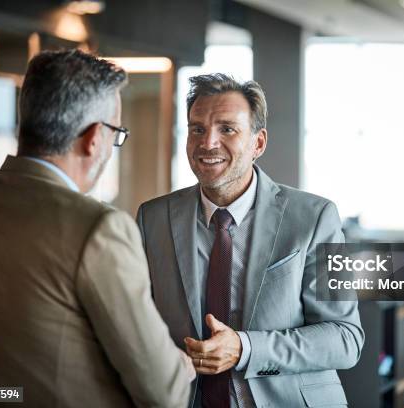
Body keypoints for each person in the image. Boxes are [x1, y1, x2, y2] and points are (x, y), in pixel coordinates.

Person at [0, 49, 193, 408]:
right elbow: (165, 394)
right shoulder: (99, 229)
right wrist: (182, 366)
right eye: (117, 133)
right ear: (95, 137)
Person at [136, 73, 364, 407]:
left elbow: (345, 339)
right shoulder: (152, 218)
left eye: (227, 129)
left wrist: (245, 349)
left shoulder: (316, 218)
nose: (208, 142)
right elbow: (138, 321)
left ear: (258, 143)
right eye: (197, 128)